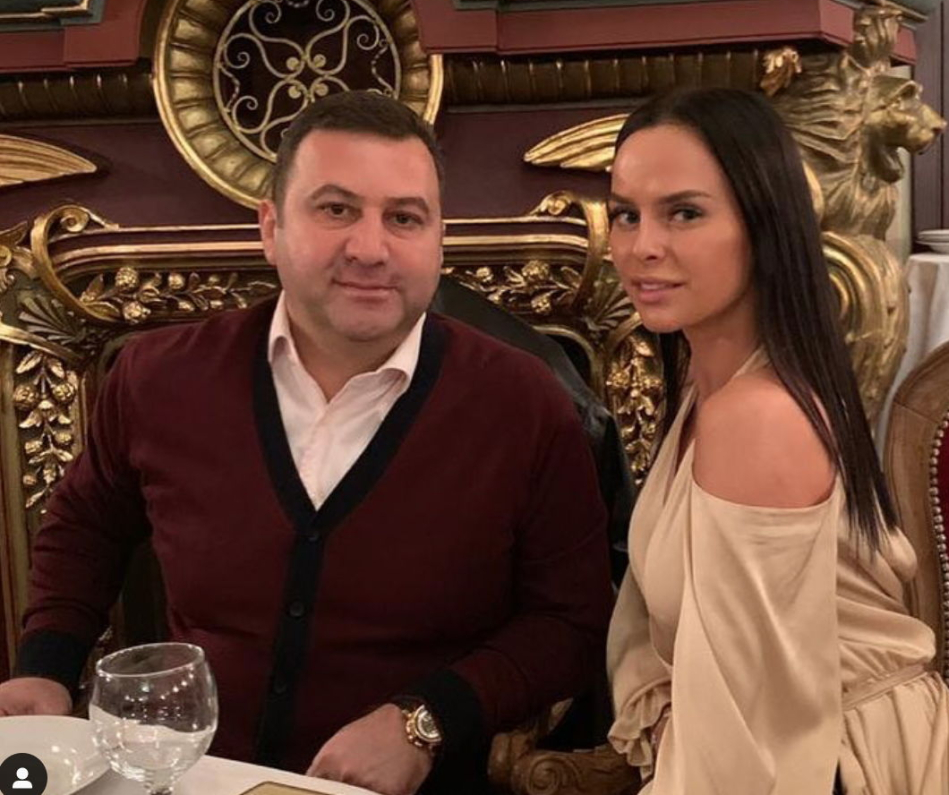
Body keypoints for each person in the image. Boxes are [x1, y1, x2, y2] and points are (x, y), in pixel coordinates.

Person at [0, 91, 613, 795]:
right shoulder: (157, 377)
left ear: (438, 238)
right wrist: (46, 667)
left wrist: (425, 722)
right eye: (336, 209)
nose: (370, 249)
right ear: (271, 227)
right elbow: (86, 527)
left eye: (404, 218)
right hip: (195, 779)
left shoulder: (524, 404)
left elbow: (571, 622)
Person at [604, 87, 949, 795]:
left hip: (848, 766)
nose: (642, 247)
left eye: (684, 213)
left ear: (764, 225)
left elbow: (753, 754)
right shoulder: (708, 389)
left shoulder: (757, 417)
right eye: (626, 214)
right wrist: (664, 722)